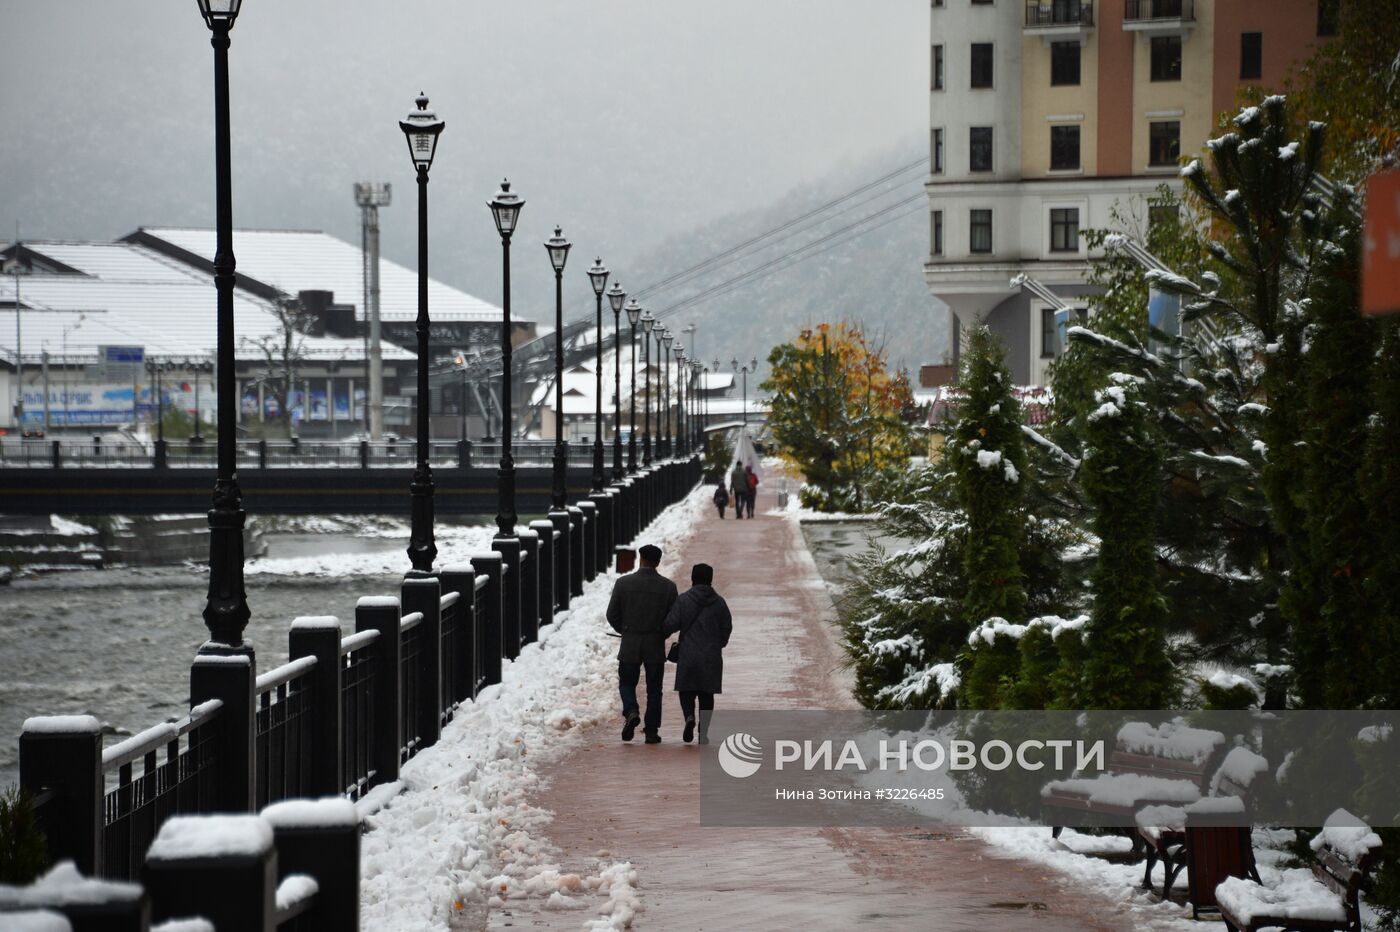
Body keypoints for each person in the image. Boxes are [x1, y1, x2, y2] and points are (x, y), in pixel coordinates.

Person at [605, 544, 677, 744]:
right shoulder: (668, 587)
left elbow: (612, 614)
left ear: (641, 559)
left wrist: (625, 630)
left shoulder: (623, 583)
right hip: (654, 643)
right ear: (658, 562)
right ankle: (652, 731)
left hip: (630, 642)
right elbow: (674, 618)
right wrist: (662, 632)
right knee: (654, 689)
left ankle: (631, 710)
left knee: (627, 682)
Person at [663, 563, 732, 745]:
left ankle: (689, 717)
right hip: (711, 656)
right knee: (706, 694)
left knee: (686, 690)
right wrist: (718, 644)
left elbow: (671, 624)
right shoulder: (719, 603)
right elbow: (726, 628)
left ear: (692, 578)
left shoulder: (684, 600)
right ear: (710, 579)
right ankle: (704, 731)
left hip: (688, 654)